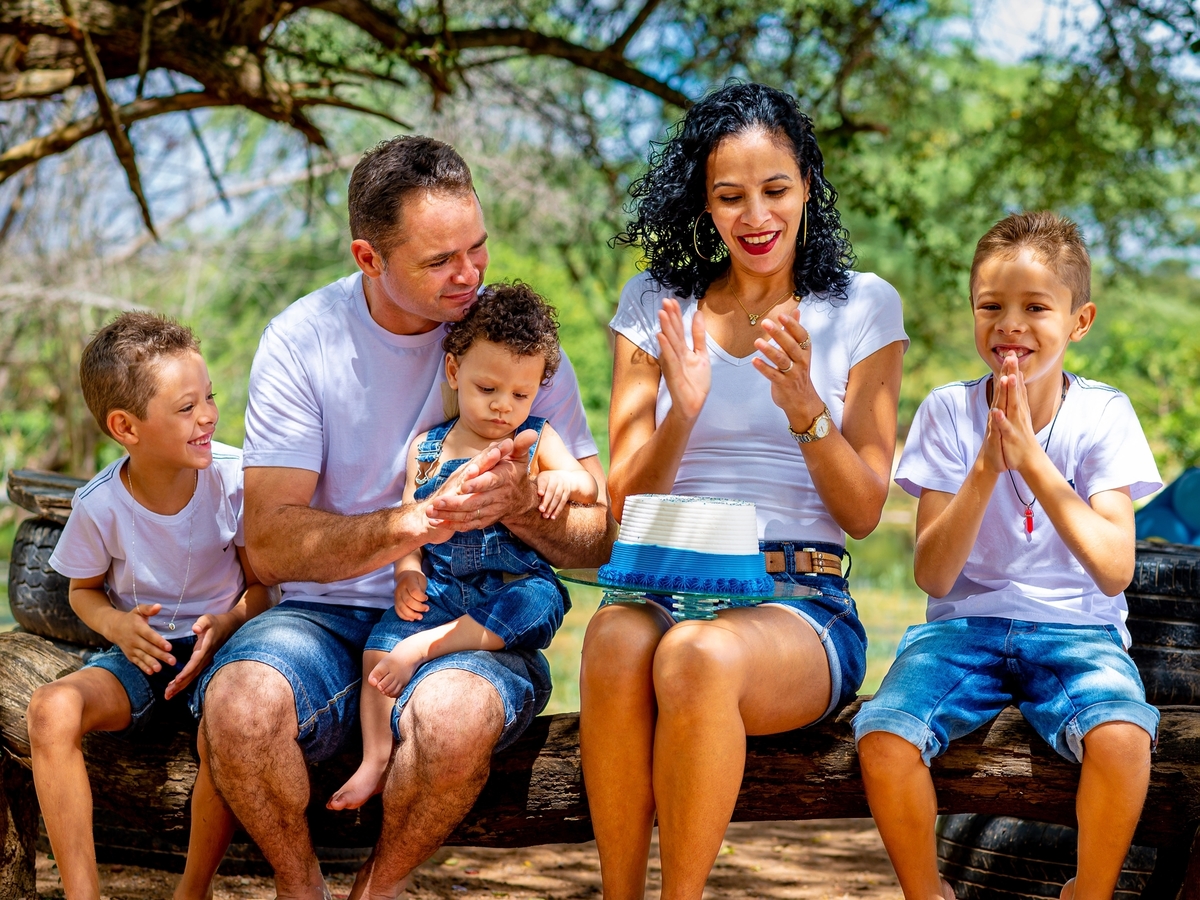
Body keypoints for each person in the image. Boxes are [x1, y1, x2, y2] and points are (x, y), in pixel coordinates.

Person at [196, 136, 613, 900]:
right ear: (368, 258)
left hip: (472, 616)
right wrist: (415, 524)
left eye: (478, 249)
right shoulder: (302, 340)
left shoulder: (515, 345)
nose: (471, 276)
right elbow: (273, 539)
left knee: (453, 719)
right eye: (440, 261)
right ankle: (302, 887)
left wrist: (525, 506)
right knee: (238, 703)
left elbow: (598, 536)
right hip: (321, 620)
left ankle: (375, 891)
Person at [579, 82, 908, 899]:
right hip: (669, 582)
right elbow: (623, 502)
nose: (756, 216)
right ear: (705, 203)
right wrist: (682, 414)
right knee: (614, 640)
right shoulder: (657, 304)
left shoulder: (861, 307)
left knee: (696, 656)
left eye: (776, 190)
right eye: (731, 197)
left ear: (807, 190)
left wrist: (807, 413)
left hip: (801, 603)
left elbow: (865, 511)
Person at [853, 211, 1161, 900]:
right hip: (963, 633)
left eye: (1035, 308)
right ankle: (927, 892)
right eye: (990, 306)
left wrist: (1035, 465)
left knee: (1123, 738)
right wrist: (988, 469)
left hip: (1080, 633)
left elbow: (1115, 568)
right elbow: (932, 573)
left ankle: (1091, 891)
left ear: (1079, 322)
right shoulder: (945, 411)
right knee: (884, 734)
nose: (1010, 325)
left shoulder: (1105, 414)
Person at [25, 312, 270, 900]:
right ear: (125, 427)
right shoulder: (100, 504)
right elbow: (81, 591)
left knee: (227, 727)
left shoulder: (237, 481)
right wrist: (117, 625)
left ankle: (193, 892)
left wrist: (233, 618)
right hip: (142, 655)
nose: (208, 415)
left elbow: (264, 586)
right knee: (50, 709)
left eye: (208, 397)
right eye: (186, 408)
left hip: (222, 653)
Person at [329, 282, 597, 810]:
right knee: (378, 648)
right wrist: (408, 572)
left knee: (537, 600)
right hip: (446, 588)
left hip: (511, 588)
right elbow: (410, 521)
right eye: (487, 389)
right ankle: (375, 759)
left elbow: (588, 485)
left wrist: (565, 482)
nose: (503, 407)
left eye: (520, 396)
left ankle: (426, 650)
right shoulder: (428, 449)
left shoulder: (538, 438)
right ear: (454, 373)